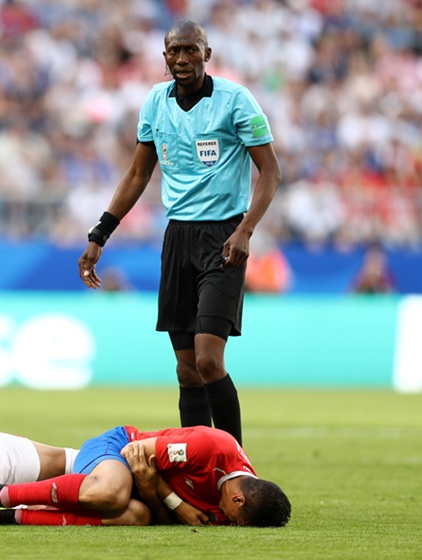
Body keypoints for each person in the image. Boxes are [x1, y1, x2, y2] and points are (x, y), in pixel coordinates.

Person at [77, 21, 282, 446]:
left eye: (191, 50)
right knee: (186, 369)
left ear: (207, 54)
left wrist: (245, 230)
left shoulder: (235, 100)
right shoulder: (155, 101)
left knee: (209, 360)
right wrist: (100, 233)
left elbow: (271, 171)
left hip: (225, 239)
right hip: (177, 240)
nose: (182, 59)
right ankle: (195, 471)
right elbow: (137, 174)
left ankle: (235, 469)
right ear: (165, 56)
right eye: (174, 51)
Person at [0, 425, 290, 528]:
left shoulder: (232, 505)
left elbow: (159, 518)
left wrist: (157, 493)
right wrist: (166, 493)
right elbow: (136, 454)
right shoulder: (210, 447)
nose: (229, 525)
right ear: (238, 499)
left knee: (137, 517)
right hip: (118, 447)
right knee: (112, 495)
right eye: (237, 522)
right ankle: (1, 493)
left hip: (140, 488)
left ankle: (10, 517)